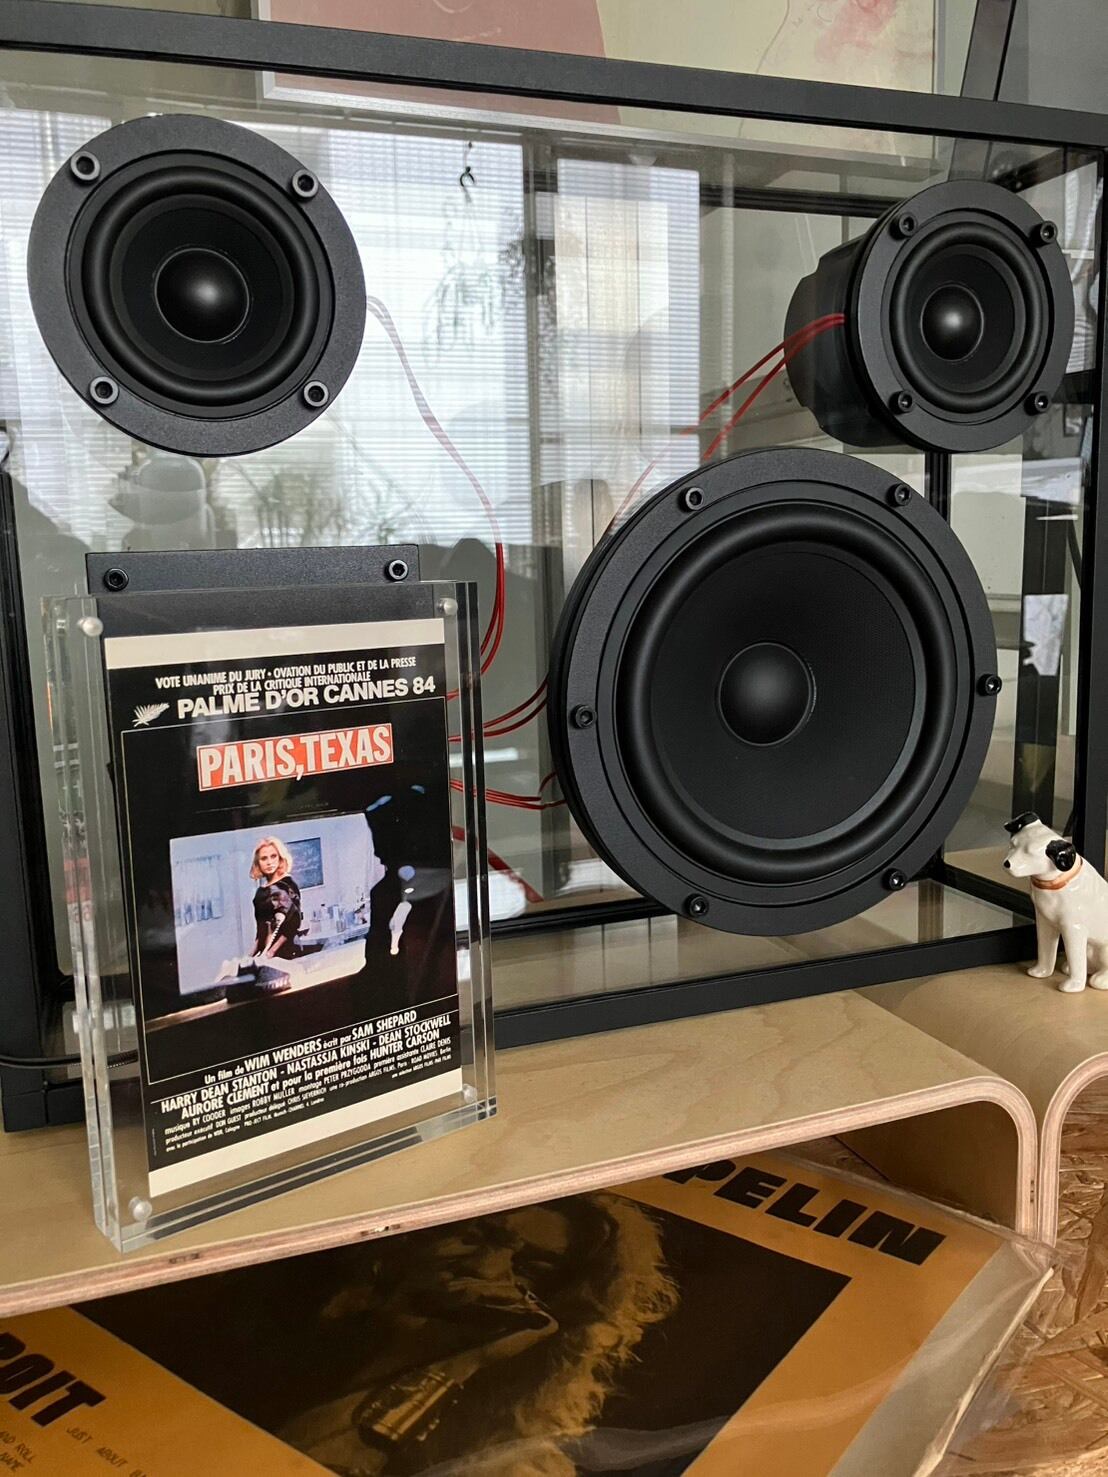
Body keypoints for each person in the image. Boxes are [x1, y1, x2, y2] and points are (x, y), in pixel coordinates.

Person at [250, 837, 302, 961]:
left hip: (285, 953)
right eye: (264, 858)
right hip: (265, 955)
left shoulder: (287, 884)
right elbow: (261, 930)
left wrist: (271, 952)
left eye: (273, 856)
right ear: (258, 862)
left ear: (280, 858)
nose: (269, 862)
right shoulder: (260, 892)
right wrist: (250, 956)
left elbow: (293, 924)